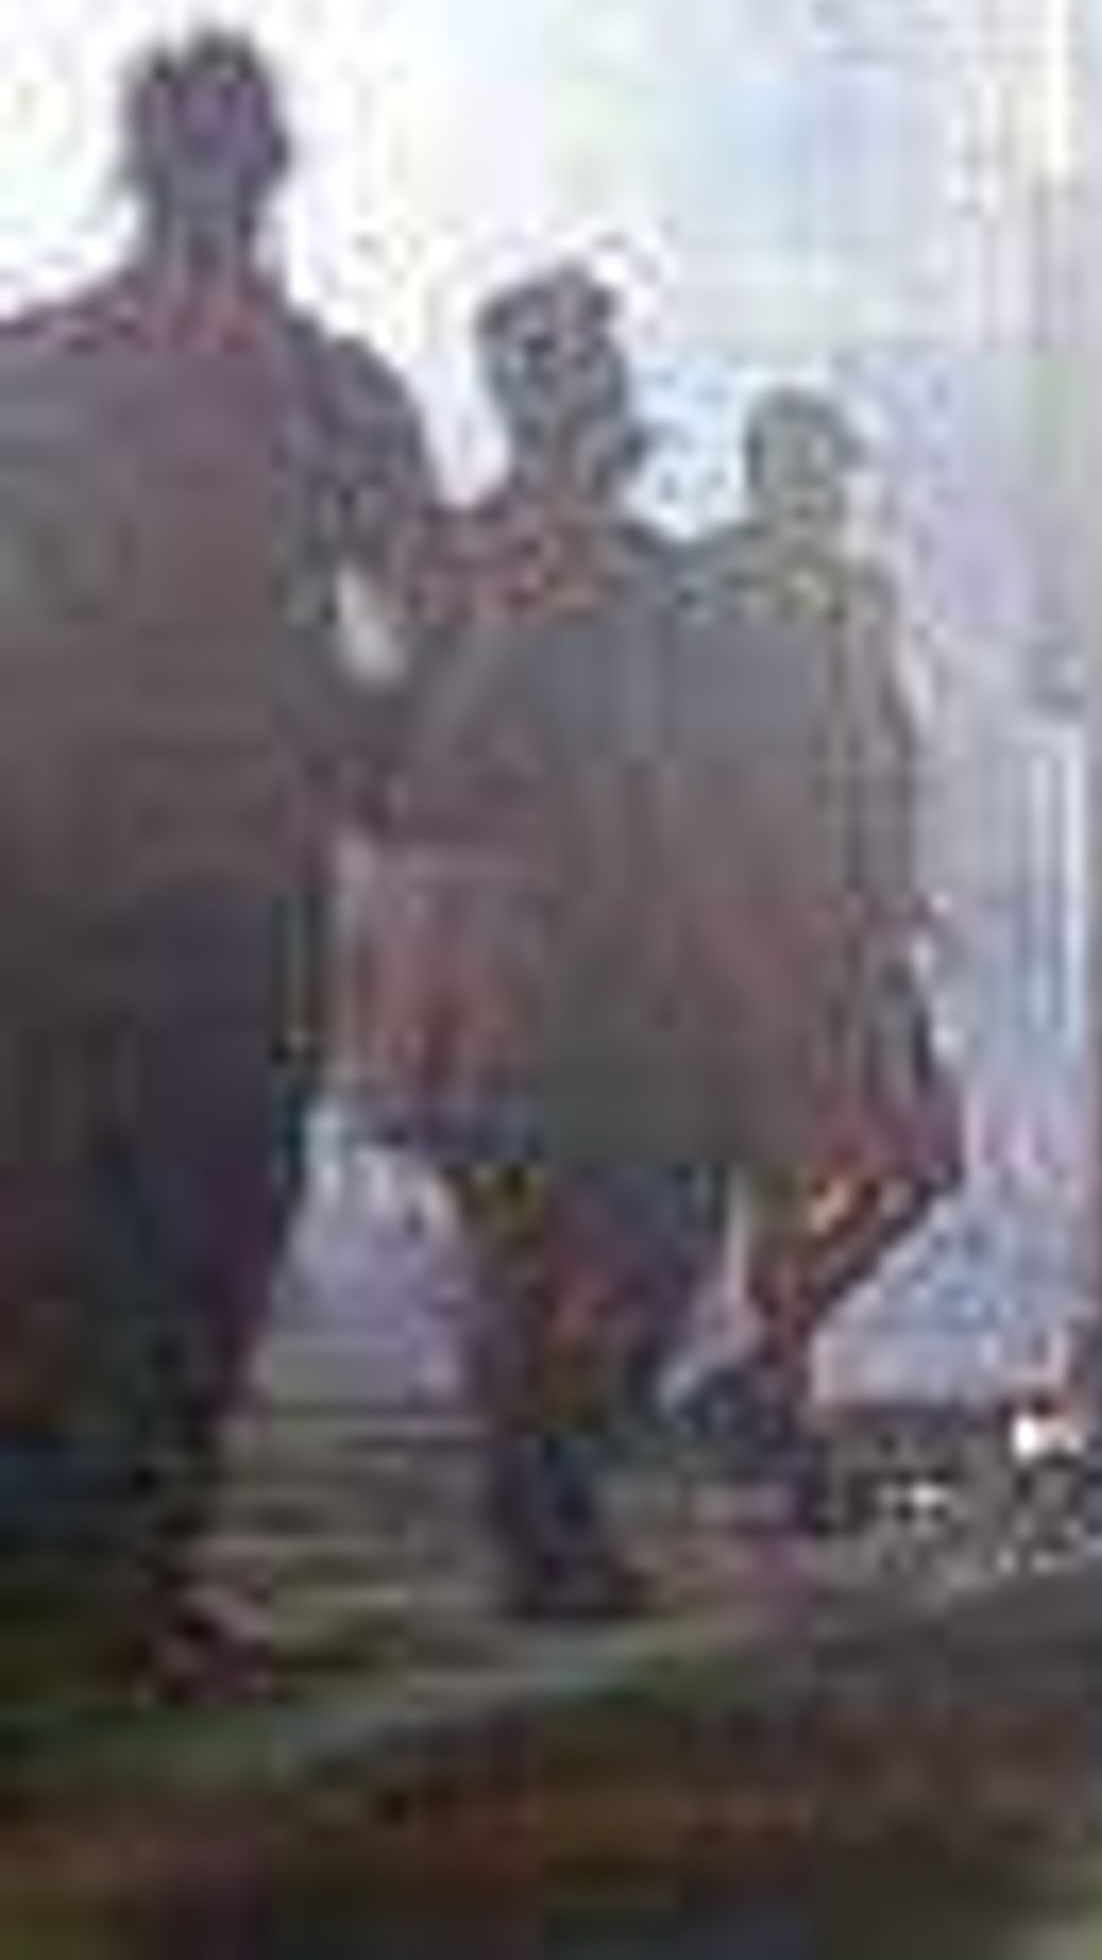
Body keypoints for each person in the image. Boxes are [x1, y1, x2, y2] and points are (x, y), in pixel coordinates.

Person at [0, 29, 447, 1679]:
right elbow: (435, 621)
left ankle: (45, 1565)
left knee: (46, 1230)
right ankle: (135, 1575)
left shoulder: (35, 374)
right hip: (234, 879)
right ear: (273, 171)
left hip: (38, 876)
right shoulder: (326, 390)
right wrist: (367, 759)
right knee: (200, 1232)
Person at [381, 267, 750, 1620]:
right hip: (522, 946)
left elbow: (708, 767)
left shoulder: (636, 571)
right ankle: (546, 1516)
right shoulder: (480, 561)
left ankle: (545, 1499)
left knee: (619, 1229)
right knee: (549, 1236)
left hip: (586, 948)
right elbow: (411, 764)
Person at [670, 389, 963, 1525]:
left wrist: (899, 883)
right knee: (789, 1184)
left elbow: (884, 744)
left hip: (846, 929)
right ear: (771, 474)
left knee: (920, 1162)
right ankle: (778, 1426)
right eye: (821, 474)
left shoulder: (852, 597)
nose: (836, 498)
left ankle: (761, 1391)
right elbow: (690, 768)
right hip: (757, 926)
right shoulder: (712, 593)